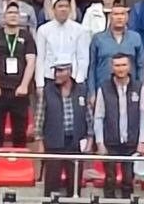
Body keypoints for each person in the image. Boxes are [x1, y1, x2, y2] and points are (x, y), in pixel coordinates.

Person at [93, 53, 144, 199]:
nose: (120, 68)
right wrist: (100, 143)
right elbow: (98, 117)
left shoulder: (138, 87)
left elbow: (143, 115)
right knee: (110, 179)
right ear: (112, 67)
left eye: (123, 65)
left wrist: (142, 141)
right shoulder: (104, 88)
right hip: (110, 142)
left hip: (131, 142)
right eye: (117, 65)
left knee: (128, 180)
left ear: (129, 66)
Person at [37, 59, 91, 197]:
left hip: (75, 143)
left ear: (70, 71)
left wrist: (90, 138)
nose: (57, 74)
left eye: (61, 71)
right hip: (53, 142)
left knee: (74, 184)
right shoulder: (47, 91)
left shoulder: (82, 90)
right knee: (51, 182)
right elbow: (40, 116)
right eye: (56, 71)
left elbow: (88, 116)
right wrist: (40, 141)